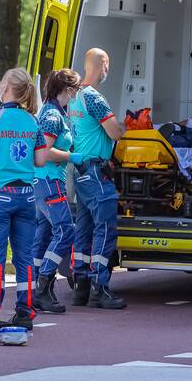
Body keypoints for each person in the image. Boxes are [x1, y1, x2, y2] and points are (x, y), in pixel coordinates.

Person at [0, 68, 48, 329]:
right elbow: (40, 160)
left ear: (6, 86)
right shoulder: (32, 121)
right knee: (24, 256)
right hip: (26, 195)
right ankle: (25, 310)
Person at [69, 48, 127, 310]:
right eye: (107, 65)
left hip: (80, 170)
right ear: (102, 64)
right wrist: (124, 127)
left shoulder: (74, 96)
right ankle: (99, 288)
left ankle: (81, 286)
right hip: (95, 171)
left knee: (83, 228)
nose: (107, 71)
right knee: (104, 229)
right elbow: (114, 132)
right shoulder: (94, 98)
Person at [31, 69, 83, 314]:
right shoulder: (53, 116)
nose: (78, 94)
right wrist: (73, 156)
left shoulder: (52, 112)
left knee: (44, 232)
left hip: (44, 181)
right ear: (69, 90)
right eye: (77, 89)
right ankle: (43, 282)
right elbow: (43, 152)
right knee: (65, 231)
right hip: (50, 180)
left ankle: (34, 288)